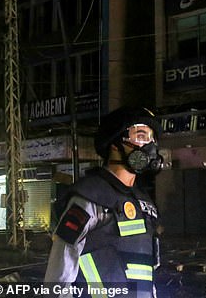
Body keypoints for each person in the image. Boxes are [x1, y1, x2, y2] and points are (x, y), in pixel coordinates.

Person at [45, 106, 164, 298]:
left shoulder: (145, 204)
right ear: (115, 144)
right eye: (140, 136)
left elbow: (146, 270)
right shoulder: (90, 197)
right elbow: (61, 268)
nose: (149, 146)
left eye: (152, 138)